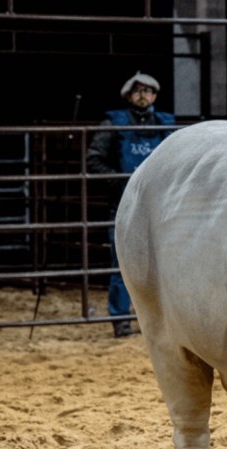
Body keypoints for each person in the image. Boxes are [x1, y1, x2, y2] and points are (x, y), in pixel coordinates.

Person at [87, 71, 175, 338]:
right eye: (138, 91)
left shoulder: (165, 124)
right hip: (125, 203)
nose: (143, 95)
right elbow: (93, 160)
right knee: (122, 261)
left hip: (162, 204)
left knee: (166, 261)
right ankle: (122, 319)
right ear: (129, 94)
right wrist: (121, 182)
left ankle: (169, 319)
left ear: (155, 95)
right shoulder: (113, 123)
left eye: (148, 91)